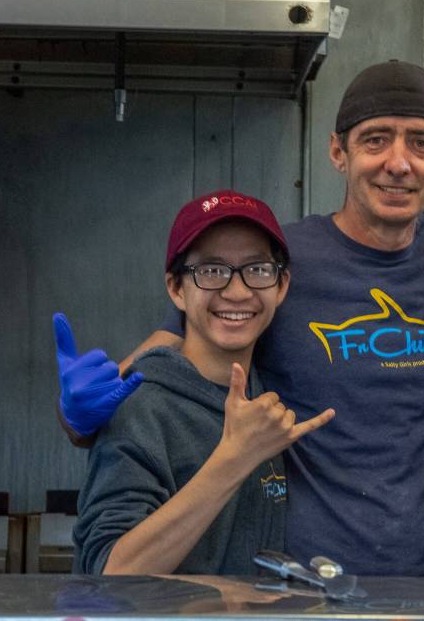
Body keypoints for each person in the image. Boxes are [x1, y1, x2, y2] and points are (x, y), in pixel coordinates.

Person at [56, 61, 424, 576]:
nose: (398, 162)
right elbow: (162, 365)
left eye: (421, 143)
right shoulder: (273, 264)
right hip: (308, 586)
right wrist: (79, 418)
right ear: (337, 152)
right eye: (375, 140)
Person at [72, 190, 335, 574]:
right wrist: (234, 459)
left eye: (258, 269)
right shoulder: (143, 408)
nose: (237, 291)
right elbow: (110, 575)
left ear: (281, 286)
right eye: (211, 271)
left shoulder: (264, 399)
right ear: (177, 289)